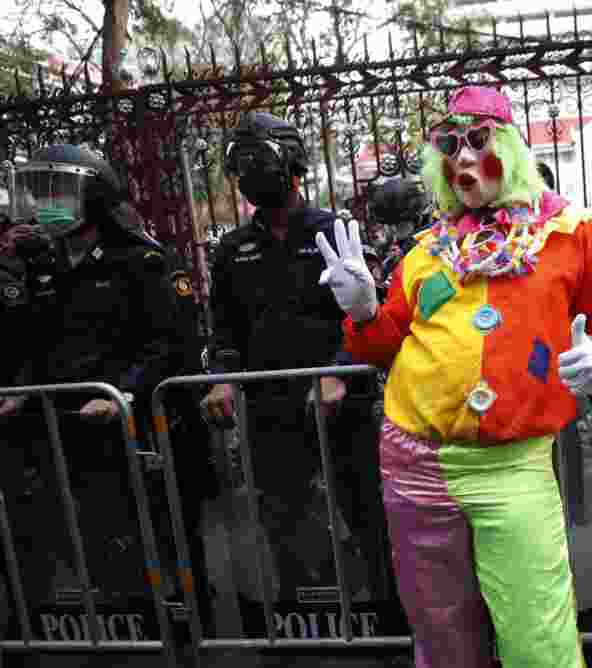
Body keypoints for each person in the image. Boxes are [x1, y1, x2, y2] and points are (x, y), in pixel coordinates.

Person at [316, 85, 592, 668]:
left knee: (536, 626)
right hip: (413, 458)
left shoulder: (568, 233)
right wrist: (364, 311)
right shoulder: (428, 251)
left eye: (478, 141)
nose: (462, 158)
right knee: (441, 632)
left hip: (512, 463)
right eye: (449, 145)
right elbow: (386, 344)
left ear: (510, 147)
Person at [0, 143, 209, 619]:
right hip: (71, 434)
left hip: (138, 432)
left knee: (164, 542)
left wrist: (126, 393)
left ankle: (182, 631)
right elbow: (40, 346)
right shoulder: (46, 269)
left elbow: (169, 343)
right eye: (37, 193)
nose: (43, 204)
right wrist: (24, 390)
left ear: (93, 195)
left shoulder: (142, 262)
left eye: (56, 192)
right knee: (98, 546)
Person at [199, 111, 391, 622]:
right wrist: (220, 379)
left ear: (293, 162)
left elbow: (373, 320)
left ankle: (385, 620)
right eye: (240, 166)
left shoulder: (337, 231)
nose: (250, 174)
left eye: (259, 160)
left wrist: (338, 371)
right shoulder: (233, 249)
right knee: (283, 516)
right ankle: (301, 621)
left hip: (342, 405)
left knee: (367, 514)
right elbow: (224, 329)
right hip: (271, 409)